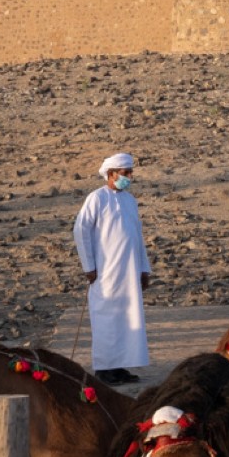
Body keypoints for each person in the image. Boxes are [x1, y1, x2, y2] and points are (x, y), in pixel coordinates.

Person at [75, 152, 150, 383]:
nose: (129, 177)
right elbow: (81, 230)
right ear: (111, 174)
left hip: (130, 273)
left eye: (130, 172)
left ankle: (120, 367)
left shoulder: (130, 200)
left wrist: (144, 268)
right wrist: (89, 266)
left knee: (127, 319)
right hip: (106, 272)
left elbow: (137, 236)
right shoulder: (97, 198)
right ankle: (104, 369)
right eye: (125, 173)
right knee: (106, 320)